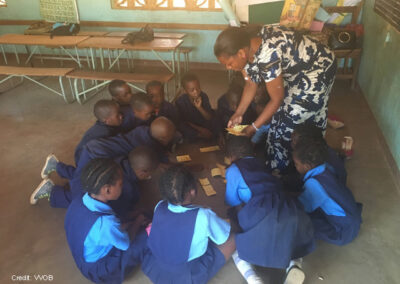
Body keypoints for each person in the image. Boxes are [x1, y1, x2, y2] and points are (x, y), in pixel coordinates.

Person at [214, 25, 336, 172]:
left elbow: (276, 100)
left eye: (229, 63)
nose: (228, 67)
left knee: (289, 122)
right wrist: (238, 113)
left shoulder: (267, 54)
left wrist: (253, 128)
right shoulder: (247, 48)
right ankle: (277, 163)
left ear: (240, 53)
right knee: (277, 120)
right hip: (296, 71)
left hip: (317, 68)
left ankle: (291, 168)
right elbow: (250, 83)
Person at [225, 136, 315, 283]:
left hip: (261, 211)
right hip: (287, 208)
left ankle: (254, 279)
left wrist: (241, 220)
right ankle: (295, 266)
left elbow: (231, 201)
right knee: (293, 241)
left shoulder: (233, 170)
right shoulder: (261, 163)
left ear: (231, 156)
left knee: (237, 245)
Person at [141, 165, 237, 284]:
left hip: (155, 269)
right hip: (185, 277)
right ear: (192, 191)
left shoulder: (159, 206)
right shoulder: (203, 215)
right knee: (234, 239)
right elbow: (223, 238)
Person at [64, 158, 148, 284]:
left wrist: (128, 223)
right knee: (145, 236)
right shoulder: (107, 223)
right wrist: (138, 221)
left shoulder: (79, 200)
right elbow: (125, 243)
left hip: (81, 256)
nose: (123, 186)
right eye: (120, 184)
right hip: (98, 270)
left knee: (124, 213)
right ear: (107, 190)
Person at [30, 99, 122, 205]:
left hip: (85, 156)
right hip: (85, 157)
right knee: (82, 197)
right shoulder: (105, 133)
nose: (121, 116)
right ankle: (51, 191)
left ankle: (55, 165)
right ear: (106, 120)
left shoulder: (104, 127)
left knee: (82, 177)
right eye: (117, 115)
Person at [292, 137, 362, 245]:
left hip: (343, 232)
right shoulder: (327, 168)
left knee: (301, 222)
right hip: (353, 219)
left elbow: (302, 207)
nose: (295, 167)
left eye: (296, 164)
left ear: (306, 166)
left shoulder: (314, 184)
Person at [175, 73, 218, 141]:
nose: (196, 92)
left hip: (203, 122)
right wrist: (201, 130)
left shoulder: (203, 96)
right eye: (192, 90)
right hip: (191, 126)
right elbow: (183, 122)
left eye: (198, 88)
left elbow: (209, 117)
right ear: (185, 90)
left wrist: (199, 108)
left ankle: (209, 136)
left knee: (215, 118)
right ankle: (200, 135)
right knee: (182, 128)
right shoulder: (181, 102)